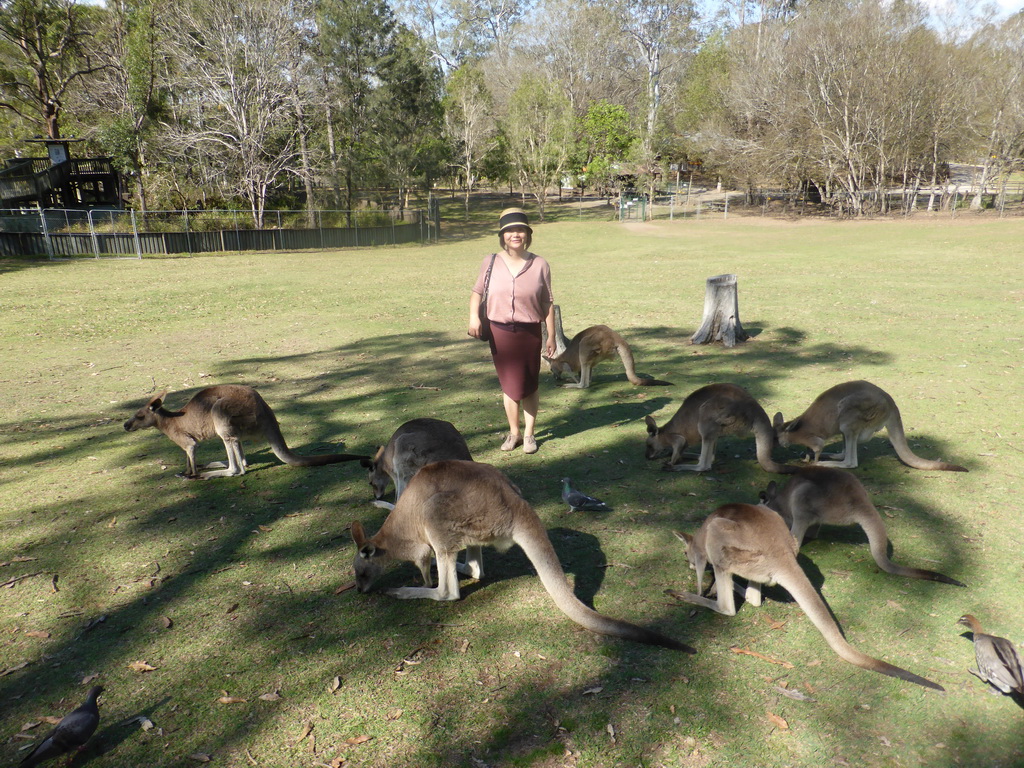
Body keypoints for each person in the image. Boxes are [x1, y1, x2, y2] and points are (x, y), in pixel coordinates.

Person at [468, 208, 556, 454]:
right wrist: (474, 317)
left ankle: (529, 434)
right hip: (500, 332)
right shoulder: (491, 261)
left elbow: (547, 302)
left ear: (527, 234)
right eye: (509, 231)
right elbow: (477, 292)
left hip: (529, 333)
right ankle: (514, 433)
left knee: (530, 384)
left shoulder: (540, 264)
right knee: (509, 385)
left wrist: (551, 335)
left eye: (520, 230)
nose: (515, 235)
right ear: (502, 235)